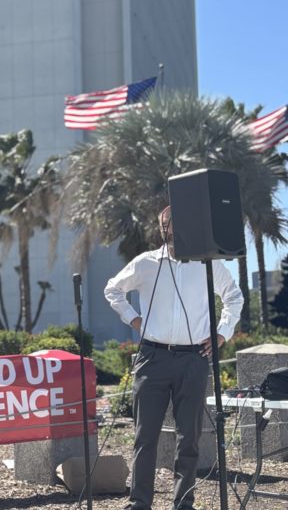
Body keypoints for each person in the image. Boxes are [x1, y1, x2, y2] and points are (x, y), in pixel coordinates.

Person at [104, 205, 243, 510]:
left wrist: (221, 334)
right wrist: (135, 320)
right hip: (152, 358)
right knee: (145, 437)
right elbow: (112, 290)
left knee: (189, 438)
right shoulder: (146, 263)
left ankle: (184, 504)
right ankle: (139, 503)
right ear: (161, 228)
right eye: (169, 224)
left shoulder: (208, 265)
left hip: (194, 359)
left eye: (182, 223)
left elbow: (234, 296)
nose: (175, 229)